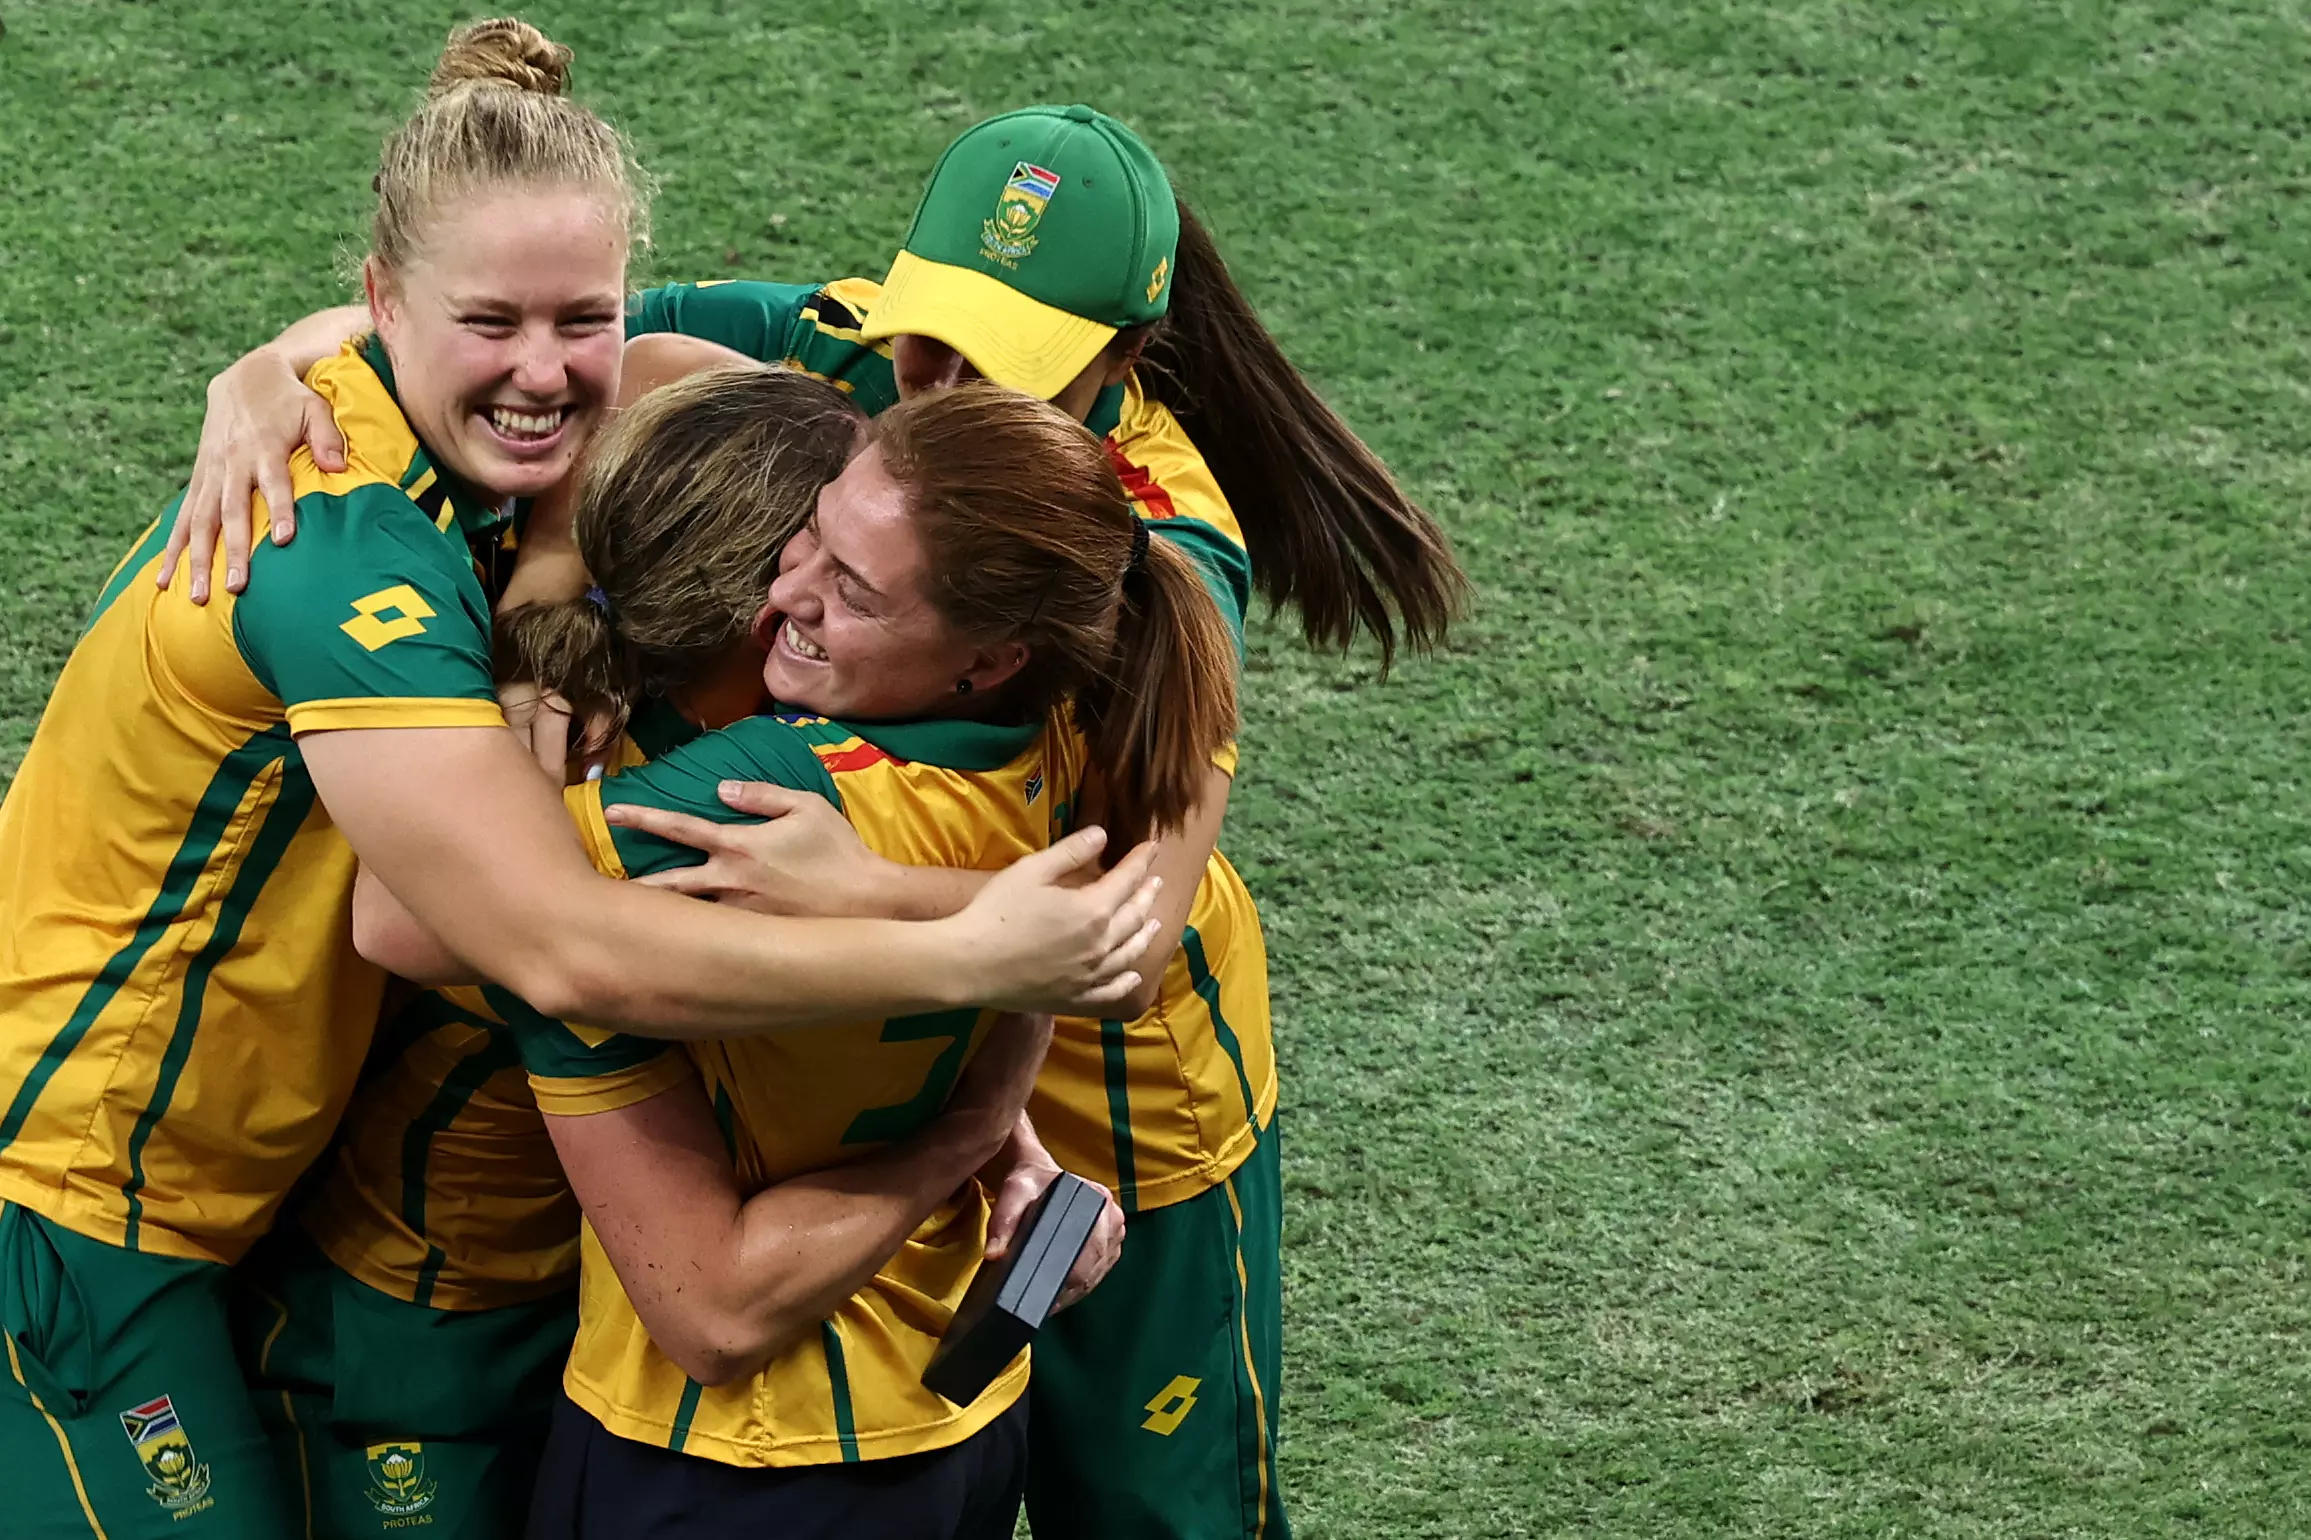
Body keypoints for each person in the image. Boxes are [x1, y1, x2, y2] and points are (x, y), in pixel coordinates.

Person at [167, 101, 1468, 1540]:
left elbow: (1124, 940)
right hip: (912, 1051)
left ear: (1123, 358)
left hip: (1130, 1107)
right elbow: (531, 329)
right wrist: (270, 377)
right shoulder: (851, 343)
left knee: (1156, 1518)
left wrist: (866, 903)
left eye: (1005, 363)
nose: (940, 382)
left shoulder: (1163, 538)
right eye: (932, 335)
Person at [0, 40, 1157, 1540]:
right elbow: (531, 942)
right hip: (73, 1198)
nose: (545, 371)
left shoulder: (475, 455)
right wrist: (962, 963)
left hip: (239, 1201)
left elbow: (721, 376)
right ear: (389, 298)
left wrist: (282, 357)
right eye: (489, 320)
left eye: (582, 320)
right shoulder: (335, 549)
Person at [358, 374, 1238, 1537]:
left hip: (742, 1454)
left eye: (855, 592)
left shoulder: (763, 793)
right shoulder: (1076, 728)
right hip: (955, 1421)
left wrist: (532, 665)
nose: (787, 598)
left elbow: (398, 915)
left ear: (984, 656)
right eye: (808, 537)